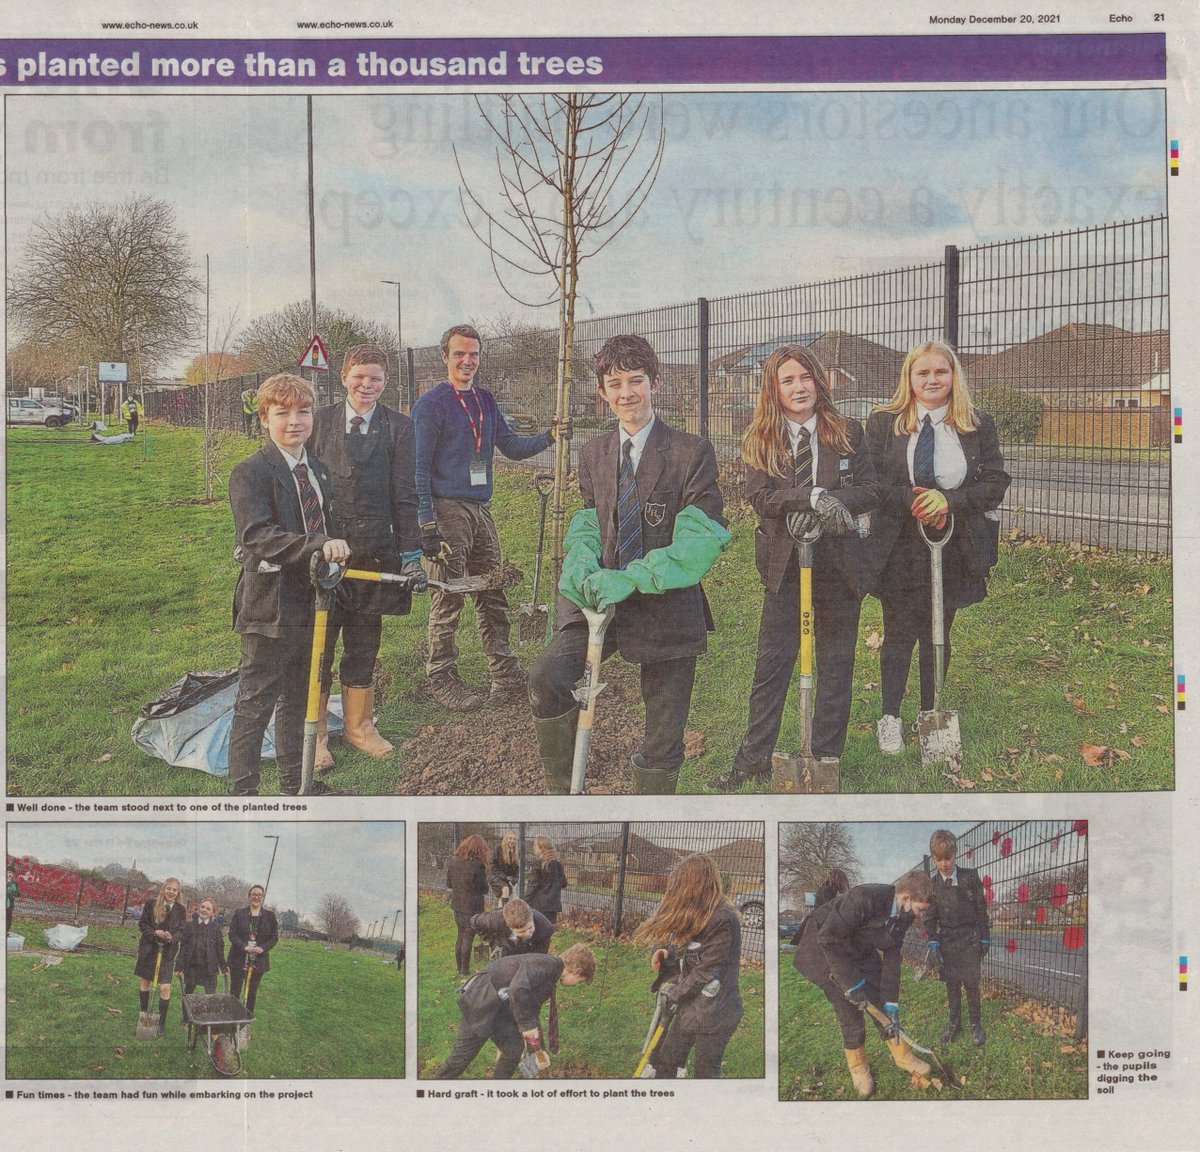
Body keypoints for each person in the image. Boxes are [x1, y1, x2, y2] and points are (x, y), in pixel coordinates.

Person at [529, 334, 727, 794]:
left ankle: (649, 806)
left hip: (665, 604)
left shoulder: (690, 452)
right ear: (602, 392)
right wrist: (580, 565)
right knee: (547, 678)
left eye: (635, 381)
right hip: (600, 598)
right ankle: (564, 791)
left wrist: (632, 578)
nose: (626, 393)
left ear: (654, 382)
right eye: (614, 384)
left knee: (663, 728)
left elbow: (700, 541)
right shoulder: (594, 452)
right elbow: (585, 521)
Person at [713, 345, 880, 790]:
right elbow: (761, 498)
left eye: (805, 377)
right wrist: (806, 498)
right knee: (772, 664)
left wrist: (830, 504)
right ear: (774, 389)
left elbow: (871, 489)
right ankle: (752, 759)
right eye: (787, 380)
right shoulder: (760, 439)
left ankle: (825, 756)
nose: (799, 387)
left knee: (835, 663)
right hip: (786, 568)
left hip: (838, 565)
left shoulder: (846, 432)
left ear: (819, 381)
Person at [864, 341, 1010, 755]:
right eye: (922, 373)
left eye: (940, 372)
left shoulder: (976, 424)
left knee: (937, 632)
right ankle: (889, 715)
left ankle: (931, 714)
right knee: (898, 633)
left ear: (953, 376)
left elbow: (995, 481)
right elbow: (871, 481)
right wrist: (913, 501)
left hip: (952, 540)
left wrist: (950, 501)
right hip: (899, 543)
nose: (932, 380)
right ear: (909, 378)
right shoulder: (884, 422)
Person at [412, 323, 561, 710]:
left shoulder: (486, 400)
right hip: (447, 512)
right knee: (448, 596)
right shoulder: (431, 405)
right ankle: (441, 675)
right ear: (445, 356)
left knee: (492, 591)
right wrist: (427, 524)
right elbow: (419, 469)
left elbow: (510, 446)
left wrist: (550, 436)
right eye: (459, 354)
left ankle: (505, 674)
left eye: (474, 354)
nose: (467, 361)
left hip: (480, 509)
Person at [226, 373, 350, 797]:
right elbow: (257, 536)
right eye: (282, 413)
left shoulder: (317, 469)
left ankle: (296, 786)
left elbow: (328, 524)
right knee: (254, 703)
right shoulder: (250, 473)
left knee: (299, 699)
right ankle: (243, 797)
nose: (294, 421)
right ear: (264, 419)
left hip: (312, 603)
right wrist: (317, 543)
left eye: (303, 411)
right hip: (269, 605)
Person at [310, 343, 423, 770]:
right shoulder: (318, 423)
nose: (367, 385)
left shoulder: (400, 428)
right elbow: (306, 489)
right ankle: (317, 732)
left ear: (386, 382)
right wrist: (310, 544)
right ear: (343, 378)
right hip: (325, 552)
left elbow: (406, 495)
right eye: (359, 377)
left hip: (376, 553)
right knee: (319, 642)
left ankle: (359, 726)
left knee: (363, 642)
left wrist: (411, 554)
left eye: (375, 378)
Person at [791, 870, 936, 1097]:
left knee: (877, 994)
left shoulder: (905, 914)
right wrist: (852, 985)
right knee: (849, 1006)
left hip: (858, 945)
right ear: (906, 898)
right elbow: (829, 939)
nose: (920, 916)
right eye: (920, 910)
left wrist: (892, 1003)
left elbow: (892, 957)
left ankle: (903, 1055)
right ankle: (858, 1067)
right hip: (822, 946)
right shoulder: (865, 898)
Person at [632, 854, 744, 1079]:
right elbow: (691, 949)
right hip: (693, 1005)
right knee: (667, 1060)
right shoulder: (701, 913)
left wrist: (674, 994)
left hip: (717, 1012)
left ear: (696, 885)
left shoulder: (722, 919)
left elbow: (705, 970)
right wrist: (668, 953)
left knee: (705, 1071)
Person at [433, 943, 596, 1079]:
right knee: (459, 1061)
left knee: (514, 1048)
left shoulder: (550, 973)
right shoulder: (549, 965)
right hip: (480, 1003)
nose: (576, 984)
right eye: (580, 981)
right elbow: (518, 990)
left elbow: (531, 1011)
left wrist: (538, 1050)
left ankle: (499, 1091)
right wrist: (527, 1028)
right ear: (577, 971)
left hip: (499, 1008)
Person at [925, 829, 991, 1045]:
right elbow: (929, 917)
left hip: (970, 939)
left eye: (948, 858)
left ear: (955, 855)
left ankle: (975, 1024)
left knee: (972, 983)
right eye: (939, 859)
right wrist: (933, 941)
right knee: (952, 985)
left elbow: (981, 909)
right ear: (934, 859)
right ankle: (954, 1023)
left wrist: (984, 937)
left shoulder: (970, 877)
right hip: (948, 942)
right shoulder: (932, 884)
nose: (944, 864)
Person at [134, 877, 186, 1036]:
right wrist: (154, 932)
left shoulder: (180, 909)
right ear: (164, 889)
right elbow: (142, 924)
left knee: (165, 987)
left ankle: (161, 1022)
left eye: (174, 890)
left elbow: (182, 931)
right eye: (169, 888)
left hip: (167, 952)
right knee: (145, 981)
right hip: (149, 949)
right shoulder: (151, 904)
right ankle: (144, 1015)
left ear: (178, 893)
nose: (171, 892)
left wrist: (172, 937)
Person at [227, 884, 279, 1015]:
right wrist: (244, 946)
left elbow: (274, 938)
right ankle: (232, 1022)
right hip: (238, 959)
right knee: (235, 991)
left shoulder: (270, 916)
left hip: (258, 961)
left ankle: (245, 1024)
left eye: (259, 895)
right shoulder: (239, 914)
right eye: (253, 894)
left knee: (251, 992)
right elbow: (232, 934)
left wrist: (262, 948)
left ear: (263, 897)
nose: (256, 897)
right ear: (249, 897)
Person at [175, 897, 228, 1024]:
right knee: (188, 994)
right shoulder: (189, 926)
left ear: (213, 912)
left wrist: (224, 968)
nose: (204, 910)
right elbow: (183, 948)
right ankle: (186, 1019)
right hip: (192, 967)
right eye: (203, 907)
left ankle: (207, 1021)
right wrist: (178, 967)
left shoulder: (216, 929)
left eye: (208, 909)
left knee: (210, 997)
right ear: (198, 908)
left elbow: (220, 950)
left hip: (209, 969)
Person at [446, 834, 491, 977]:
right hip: (473, 908)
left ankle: (460, 969)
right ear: (479, 849)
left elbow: (449, 884)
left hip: (457, 906)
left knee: (460, 937)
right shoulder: (478, 864)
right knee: (468, 938)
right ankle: (465, 972)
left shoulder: (453, 862)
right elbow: (484, 889)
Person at [470, 898, 554, 958]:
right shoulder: (494, 920)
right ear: (509, 926)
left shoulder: (546, 928)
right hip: (504, 950)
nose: (527, 933)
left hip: (529, 951)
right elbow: (474, 922)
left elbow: (540, 956)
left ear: (532, 918)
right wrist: (492, 941)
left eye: (530, 928)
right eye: (521, 932)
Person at [524, 836, 567, 924]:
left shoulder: (538, 866)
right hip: (553, 906)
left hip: (539, 906)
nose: (534, 848)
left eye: (535, 846)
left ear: (542, 848)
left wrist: (523, 902)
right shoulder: (558, 865)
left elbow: (532, 887)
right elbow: (564, 883)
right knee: (548, 931)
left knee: (537, 932)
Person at [488, 830, 519, 905]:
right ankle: (503, 913)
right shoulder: (498, 848)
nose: (512, 841)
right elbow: (493, 866)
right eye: (510, 838)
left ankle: (500, 911)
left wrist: (515, 878)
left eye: (514, 839)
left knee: (508, 893)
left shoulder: (515, 852)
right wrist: (505, 877)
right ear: (506, 839)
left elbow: (516, 868)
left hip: (504, 878)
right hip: (494, 875)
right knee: (505, 889)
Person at [6, 867, 18, 934]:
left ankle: (6, 931)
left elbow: (18, 893)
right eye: (9, 872)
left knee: (9, 917)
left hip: (10, 903)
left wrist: (13, 892)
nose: (11, 874)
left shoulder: (14, 883)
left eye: (12, 873)